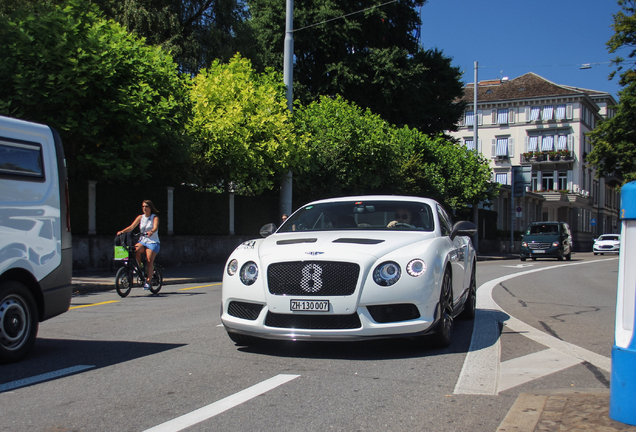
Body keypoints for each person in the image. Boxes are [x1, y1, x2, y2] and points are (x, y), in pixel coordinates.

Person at [117, 200, 160, 290]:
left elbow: (155, 227)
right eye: (143, 206)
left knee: (149, 261)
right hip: (143, 241)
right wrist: (122, 232)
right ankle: (139, 267)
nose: (144, 208)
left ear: (150, 208)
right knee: (134, 250)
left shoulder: (154, 217)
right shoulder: (140, 217)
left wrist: (151, 232)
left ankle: (148, 282)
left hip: (153, 242)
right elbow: (132, 227)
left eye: (146, 206)